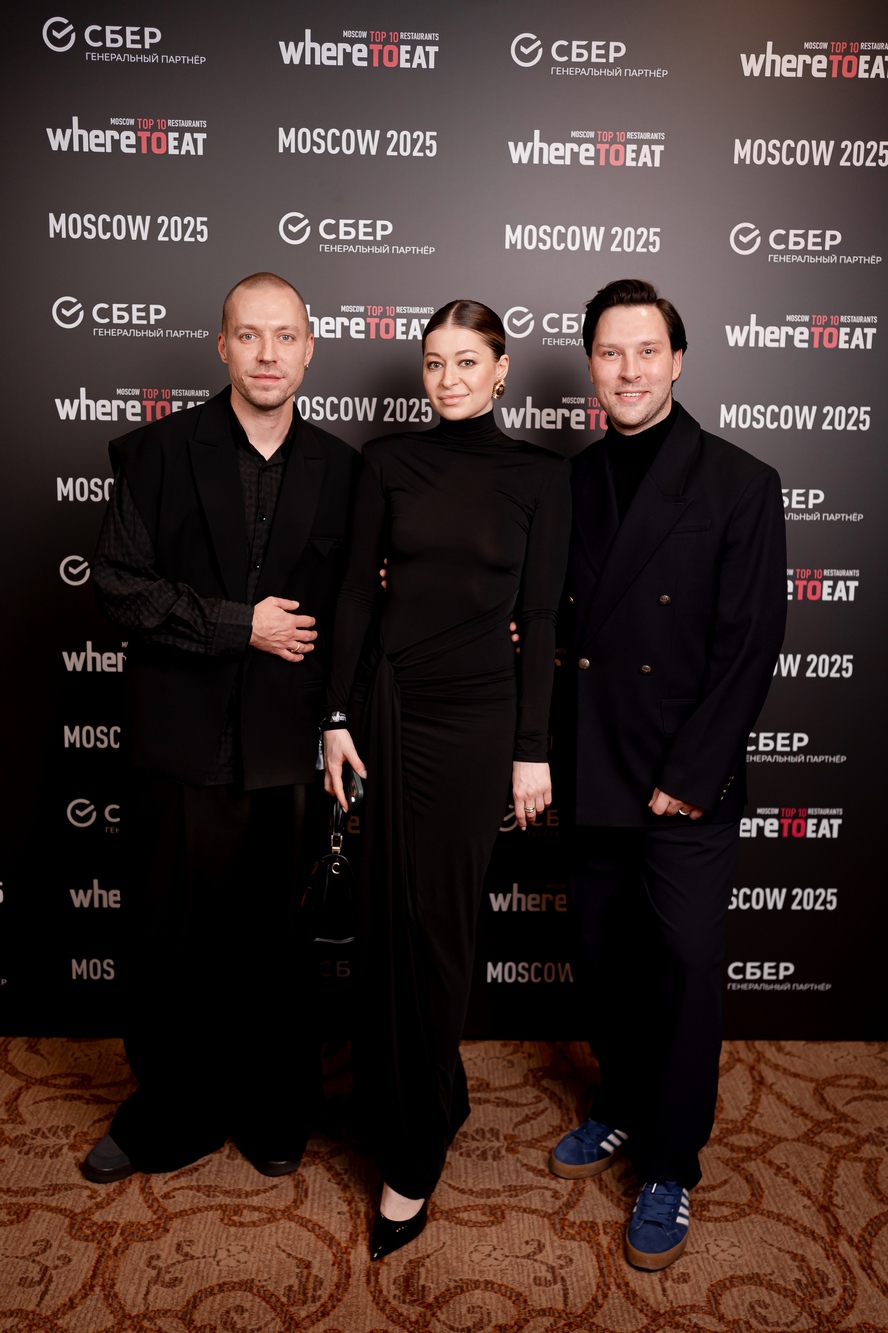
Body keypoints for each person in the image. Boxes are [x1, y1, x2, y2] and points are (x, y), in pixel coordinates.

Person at [82, 273, 357, 1183]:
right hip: (180, 741)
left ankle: (276, 1107)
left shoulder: (346, 470)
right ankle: (171, 1112)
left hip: (288, 747)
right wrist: (243, 625)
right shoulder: (158, 452)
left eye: (284, 336)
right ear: (222, 346)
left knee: (278, 946)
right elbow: (120, 586)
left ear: (309, 348)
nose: (267, 354)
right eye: (249, 335)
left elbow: (365, 610)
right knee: (173, 942)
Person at [323, 300, 571, 1259]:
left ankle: (413, 1154)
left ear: (501, 370)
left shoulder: (541, 476)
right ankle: (420, 1093)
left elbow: (540, 618)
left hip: (477, 723)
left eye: (468, 361)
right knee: (387, 919)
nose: (449, 378)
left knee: (439, 928)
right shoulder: (385, 461)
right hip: (390, 707)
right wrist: (336, 717)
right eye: (434, 362)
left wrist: (531, 746)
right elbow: (356, 590)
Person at [548, 279, 786, 1270]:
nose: (630, 370)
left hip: (683, 781)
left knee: (684, 970)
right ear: (591, 367)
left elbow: (751, 641)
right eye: (611, 353)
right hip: (591, 763)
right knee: (604, 957)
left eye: (647, 351)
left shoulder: (739, 480)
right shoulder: (566, 483)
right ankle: (620, 1099)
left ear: (678, 360)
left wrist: (691, 773)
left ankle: (669, 1162)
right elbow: (542, 615)